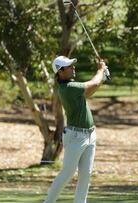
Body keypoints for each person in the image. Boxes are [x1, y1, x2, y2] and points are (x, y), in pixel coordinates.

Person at [44, 56, 107, 203]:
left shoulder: (72, 86)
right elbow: (94, 82)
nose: (74, 67)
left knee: (86, 174)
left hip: (90, 135)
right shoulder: (68, 88)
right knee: (67, 172)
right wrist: (101, 70)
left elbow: (90, 90)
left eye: (72, 65)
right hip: (76, 137)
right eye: (69, 66)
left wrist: (102, 76)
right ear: (60, 71)